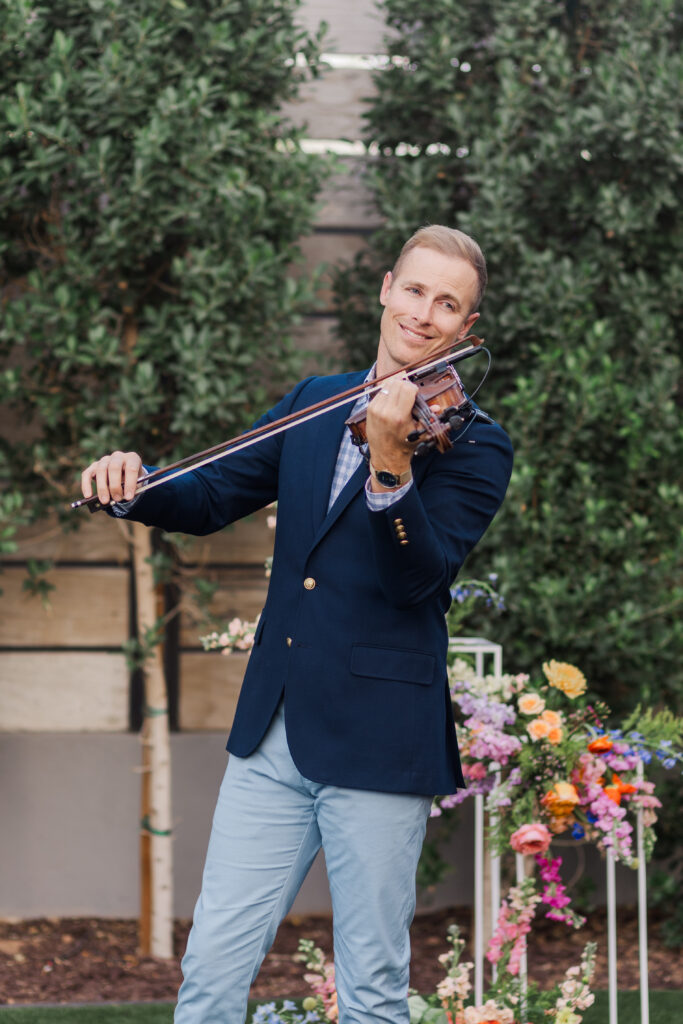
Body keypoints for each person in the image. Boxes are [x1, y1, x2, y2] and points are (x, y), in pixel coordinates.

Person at [81, 225, 513, 1024]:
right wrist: (134, 486)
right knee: (211, 968)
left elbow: (418, 577)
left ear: (465, 329)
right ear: (385, 288)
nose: (424, 314)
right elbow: (210, 498)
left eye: (447, 304)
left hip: (379, 743)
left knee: (373, 991)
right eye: (414, 290)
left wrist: (391, 464)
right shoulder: (315, 401)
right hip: (272, 733)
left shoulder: (477, 446)